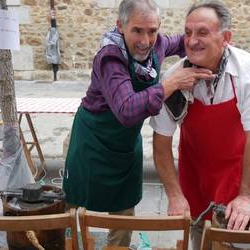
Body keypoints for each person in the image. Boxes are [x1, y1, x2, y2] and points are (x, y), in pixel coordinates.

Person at [62, 0, 213, 247]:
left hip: (125, 145)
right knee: (72, 209)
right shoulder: (110, 58)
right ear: (121, 26)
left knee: (123, 215)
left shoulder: (159, 45)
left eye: (152, 31)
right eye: (137, 31)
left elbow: (188, 43)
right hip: (92, 142)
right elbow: (127, 110)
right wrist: (172, 83)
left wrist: (214, 46)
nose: (145, 40)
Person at [150, 1, 250, 248]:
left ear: (226, 37)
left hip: (239, 180)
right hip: (194, 180)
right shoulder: (172, 78)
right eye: (188, 32)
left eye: (202, 32)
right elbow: (161, 141)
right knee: (200, 242)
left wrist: (247, 197)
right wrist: (174, 195)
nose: (192, 41)